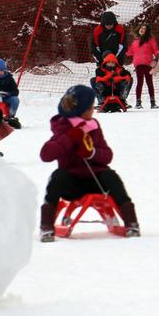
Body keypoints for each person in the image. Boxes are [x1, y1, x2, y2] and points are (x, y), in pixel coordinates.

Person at [38, 85, 140, 241]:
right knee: (57, 177)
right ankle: (46, 227)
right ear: (80, 109)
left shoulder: (93, 126)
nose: (93, 109)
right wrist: (70, 138)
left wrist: (92, 153)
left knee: (111, 176)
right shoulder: (63, 127)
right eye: (90, 107)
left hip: (96, 179)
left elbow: (107, 155)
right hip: (72, 182)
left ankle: (131, 223)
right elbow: (46, 154)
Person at [129, 23, 159, 108]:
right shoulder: (134, 42)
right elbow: (129, 52)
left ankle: (152, 102)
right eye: (141, 28)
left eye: (145, 29)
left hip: (148, 64)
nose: (143, 30)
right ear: (139, 29)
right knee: (140, 82)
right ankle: (138, 102)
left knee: (149, 82)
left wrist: (157, 56)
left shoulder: (151, 40)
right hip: (138, 64)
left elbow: (156, 50)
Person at [0, 59, 22, 129]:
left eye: (1, 71)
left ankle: (10, 116)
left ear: (4, 70)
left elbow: (15, 91)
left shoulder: (9, 79)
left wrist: (9, 93)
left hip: (7, 98)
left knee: (15, 100)